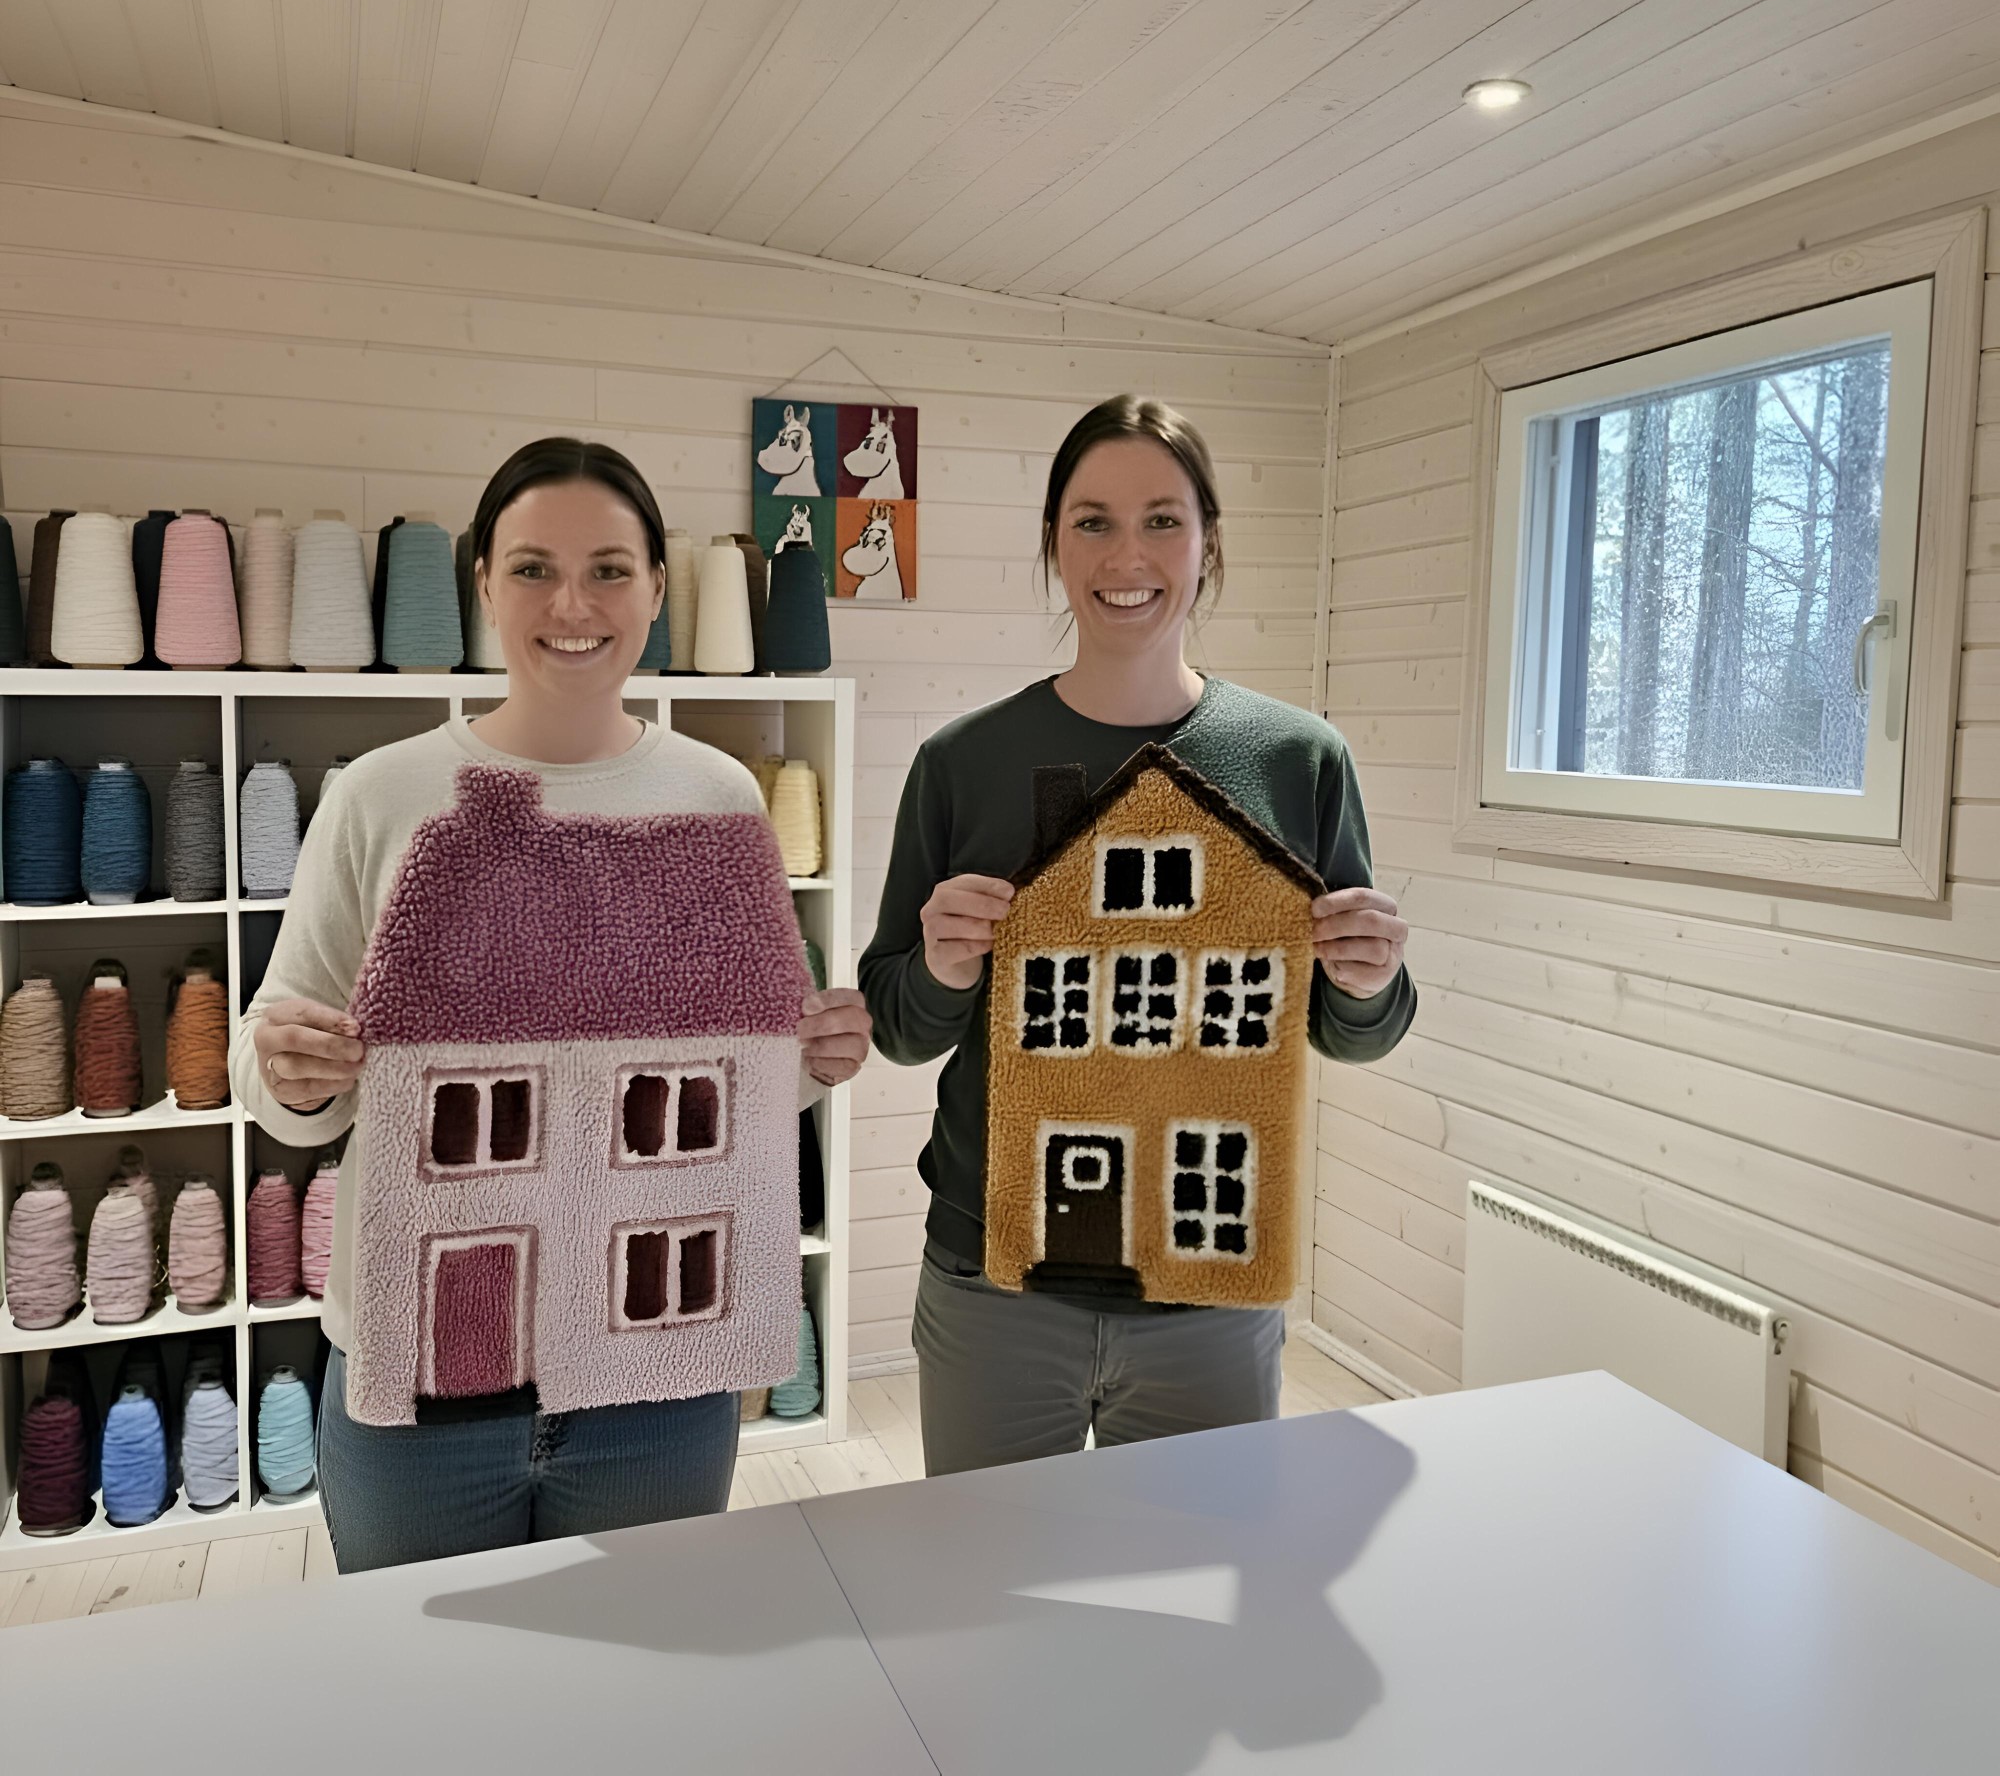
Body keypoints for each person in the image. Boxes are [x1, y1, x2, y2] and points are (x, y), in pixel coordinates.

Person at [234, 438, 871, 1569]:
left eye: (609, 570)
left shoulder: (720, 797)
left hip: (660, 1375)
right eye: (533, 568)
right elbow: (283, 1081)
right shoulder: (383, 795)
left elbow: (741, 1089)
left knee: (637, 1666)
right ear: (484, 582)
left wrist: (812, 1061)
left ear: (657, 591)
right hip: (417, 1382)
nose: (572, 605)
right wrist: (287, 1067)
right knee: (423, 1671)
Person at [858, 395, 1414, 1476]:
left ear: (1208, 541)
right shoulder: (963, 762)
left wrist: (1362, 980)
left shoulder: (1297, 759)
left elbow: (1353, 1029)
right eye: (1093, 521)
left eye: (1163, 519)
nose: (1128, 555)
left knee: (1195, 1559)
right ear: (1053, 543)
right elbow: (897, 1025)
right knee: (988, 1564)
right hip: (992, 1276)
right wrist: (939, 968)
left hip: (1209, 1276)